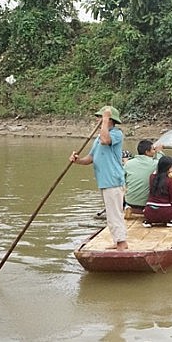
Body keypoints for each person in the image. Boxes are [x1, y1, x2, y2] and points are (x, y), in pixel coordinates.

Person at [69, 106, 128, 250]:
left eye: (100, 118)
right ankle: (118, 241)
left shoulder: (116, 134)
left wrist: (106, 119)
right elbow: (91, 158)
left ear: (110, 120)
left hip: (113, 180)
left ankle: (121, 242)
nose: (98, 120)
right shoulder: (98, 138)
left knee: (115, 213)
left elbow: (105, 140)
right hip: (104, 180)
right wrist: (77, 160)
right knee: (111, 213)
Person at [143, 156, 172, 228]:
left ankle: (149, 221)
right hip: (166, 213)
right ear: (169, 168)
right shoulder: (169, 180)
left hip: (149, 212)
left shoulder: (152, 177)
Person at [123, 139, 164, 211]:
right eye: (153, 149)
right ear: (147, 152)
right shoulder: (154, 164)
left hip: (130, 201)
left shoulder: (128, 163)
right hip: (145, 203)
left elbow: (121, 180)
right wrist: (159, 152)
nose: (154, 151)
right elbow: (162, 164)